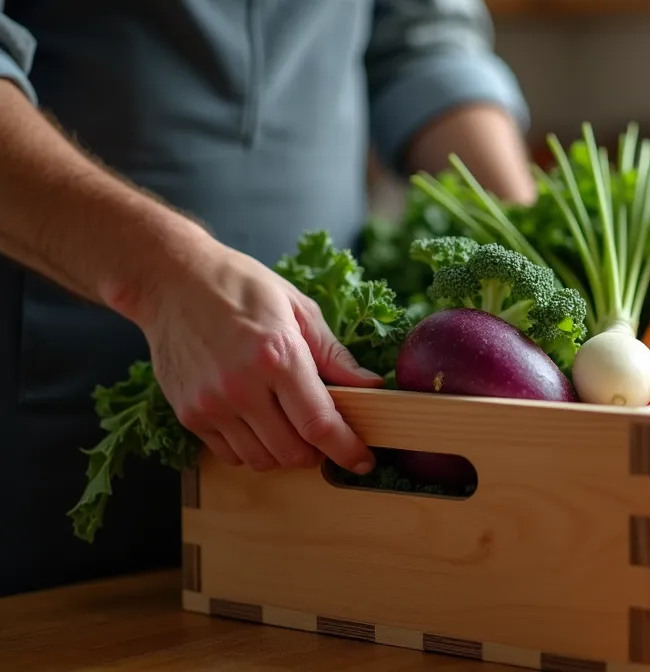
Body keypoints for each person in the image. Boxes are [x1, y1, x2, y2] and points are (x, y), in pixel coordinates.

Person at [0, 1, 537, 597]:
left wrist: (524, 246)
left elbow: (421, 41)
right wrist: (160, 276)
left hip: (316, 431)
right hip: (50, 419)